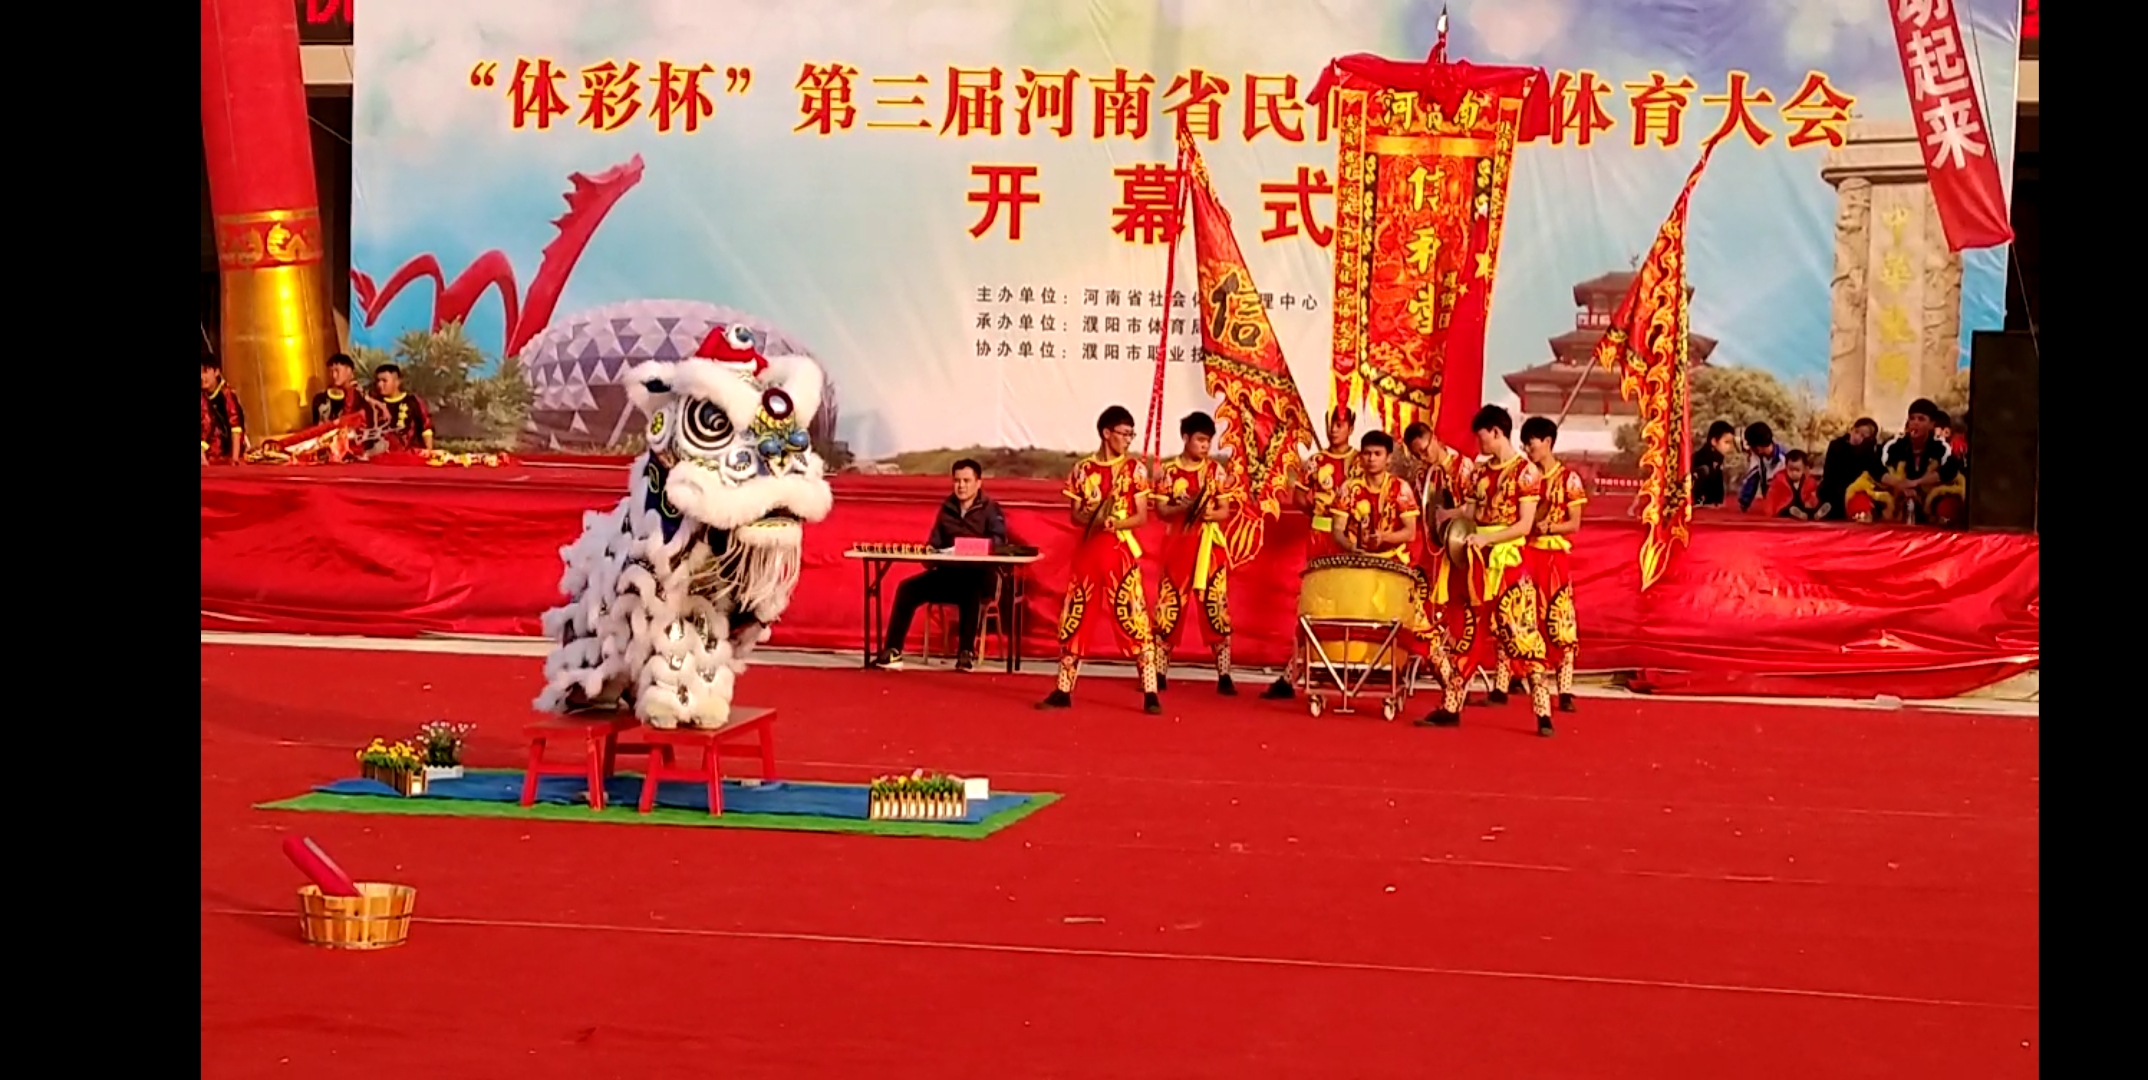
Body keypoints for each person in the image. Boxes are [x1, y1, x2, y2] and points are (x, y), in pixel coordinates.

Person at [1417, 405, 1554, 737]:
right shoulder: (1479, 472)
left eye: (1482, 438)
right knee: (1468, 632)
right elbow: (1471, 512)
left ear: (1496, 432)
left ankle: (1543, 712)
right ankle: (1451, 706)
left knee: (1522, 635)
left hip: (1509, 564)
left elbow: (1524, 525)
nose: (1479, 445)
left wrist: (1486, 538)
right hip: (1477, 562)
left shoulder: (1526, 473)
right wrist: (1445, 517)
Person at [1039, 406, 1161, 715]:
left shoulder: (1135, 470)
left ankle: (1150, 692)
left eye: (1131, 434)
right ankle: (1063, 690)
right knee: (1075, 617)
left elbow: (1141, 516)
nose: (1128, 440)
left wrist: (1114, 522)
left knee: (1134, 618)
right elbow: (1075, 515)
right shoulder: (1082, 469)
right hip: (1089, 552)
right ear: (1107, 433)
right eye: (1124, 433)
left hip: (1119, 552)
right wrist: (1093, 516)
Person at [868, 459, 1009, 673]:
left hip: (978, 575)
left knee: (970, 589)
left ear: (978, 483)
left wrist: (969, 547)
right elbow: (934, 543)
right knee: (907, 589)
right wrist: (930, 553)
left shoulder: (990, 509)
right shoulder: (947, 508)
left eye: (966, 481)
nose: (961, 486)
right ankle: (892, 650)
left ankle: (965, 653)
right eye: (957, 481)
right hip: (948, 573)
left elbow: (999, 542)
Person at [1262, 406, 1362, 700]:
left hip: (1350, 539)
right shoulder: (1315, 462)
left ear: (1351, 427)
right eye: (1332, 424)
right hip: (1320, 538)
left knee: (1349, 603)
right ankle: (1292, 673)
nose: (1335, 429)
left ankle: (1347, 667)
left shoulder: (1360, 461)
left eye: (1341, 424)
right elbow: (1299, 497)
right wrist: (1318, 514)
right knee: (1314, 605)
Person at [1149, 411, 1244, 695]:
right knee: (1169, 608)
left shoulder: (1216, 472)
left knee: (1216, 608)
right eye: (1200, 440)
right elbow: (1161, 510)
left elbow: (1225, 511)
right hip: (1178, 545)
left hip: (1209, 549)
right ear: (1186, 438)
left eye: (1208, 441)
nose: (1205, 446)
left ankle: (1224, 675)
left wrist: (1208, 513)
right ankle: (1159, 672)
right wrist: (1185, 507)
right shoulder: (1169, 472)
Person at [1519, 416, 1587, 713]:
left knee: (1560, 620)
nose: (1527, 449)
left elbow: (1574, 523)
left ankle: (1565, 689)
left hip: (1554, 558)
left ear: (1547, 442)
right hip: (1527, 554)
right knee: (1526, 618)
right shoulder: (1525, 477)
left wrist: (1550, 528)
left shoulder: (1568, 479)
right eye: (1524, 444)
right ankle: (1518, 684)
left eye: (1530, 443)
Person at [1871, 399, 1965, 525]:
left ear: (1931, 424)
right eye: (1912, 418)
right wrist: (1899, 484)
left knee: (1949, 501)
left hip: (1928, 497)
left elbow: (1950, 470)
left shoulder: (1941, 447)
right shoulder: (1893, 445)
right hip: (1896, 495)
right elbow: (1875, 467)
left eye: (1921, 419)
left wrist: (1916, 483)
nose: (1915, 423)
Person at [1331, 430, 1420, 561]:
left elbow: (1410, 533)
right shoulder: (1348, 488)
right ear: (1360, 457)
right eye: (1367, 453)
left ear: (1388, 458)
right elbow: (1337, 530)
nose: (1371, 459)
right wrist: (1351, 547)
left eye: (1377, 454)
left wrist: (1383, 537)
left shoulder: (1401, 488)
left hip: (1392, 560)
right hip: (1357, 559)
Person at [1821, 417, 1884, 521]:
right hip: (1834, 488)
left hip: (1855, 491)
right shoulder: (1836, 445)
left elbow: (1879, 472)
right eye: (1856, 432)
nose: (1857, 437)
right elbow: (1828, 472)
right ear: (1852, 429)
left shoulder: (1868, 453)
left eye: (1863, 436)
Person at [371, 364, 435, 451]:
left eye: (384, 381)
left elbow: (426, 428)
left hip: (411, 454)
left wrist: (429, 450)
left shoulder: (413, 401)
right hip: (383, 455)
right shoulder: (374, 405)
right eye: (378, 381)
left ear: (397, 382)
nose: (380, 384)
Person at [201, 355, 246, 463]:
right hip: (208, 453)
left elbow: (235, 429)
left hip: (225, 455)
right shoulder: (203, 395)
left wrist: (235, 459)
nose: (202, 377)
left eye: (205, 372)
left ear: (216, 372)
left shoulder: (226, 395)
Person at [309, 354, 375, 425]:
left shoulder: (363, 395)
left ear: (349, 370)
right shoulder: (322, 398)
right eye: (331, 371)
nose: (334, 376)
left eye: (337, 370)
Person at [1736, 422, 1786, 512]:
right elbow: (1752, 479)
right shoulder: (1757, 458)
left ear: (1758, 448)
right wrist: (1744, 502)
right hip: (1770, 500)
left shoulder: (1785, 459)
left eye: (1751, 446)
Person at [1762, 450, 1826, 520]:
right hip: (1786, 505)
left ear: (1804, 469)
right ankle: (1799, 514)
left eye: (1797, 470)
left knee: (1810, 508)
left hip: (1803, 505)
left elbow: (1813, 494)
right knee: (1788, 509)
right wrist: (1770, 512)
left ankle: (1817, 514)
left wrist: (1811, 502)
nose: (1794, 473)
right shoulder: (1779, 480)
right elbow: (1772, 496)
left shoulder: (1809, 481)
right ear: (1786, 467)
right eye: (1791, 470)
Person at [1690, 420, 1737, 507]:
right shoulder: (1703, 456)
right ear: (1714, 441)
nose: (1729, 447)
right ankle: (1697, 501)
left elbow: (1717, 479)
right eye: (1726, 442)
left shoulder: (1718, 456)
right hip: (1691, 489)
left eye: (1731, 443)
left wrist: (1718, 500)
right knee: (1704, 470)